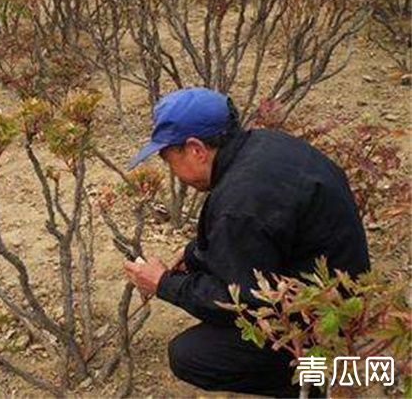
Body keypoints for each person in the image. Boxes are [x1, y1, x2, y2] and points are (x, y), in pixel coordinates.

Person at [123, 87, 370, 397]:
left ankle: (324, 377)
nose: (171, 171)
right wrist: (193, 255)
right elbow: (257, 238)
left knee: (191, 355)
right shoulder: (263, 146)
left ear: (196, 149)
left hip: (325, 321)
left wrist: (164, 284)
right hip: (343, 287)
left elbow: (242, 304)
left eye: (169, 159)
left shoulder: (240, 204)